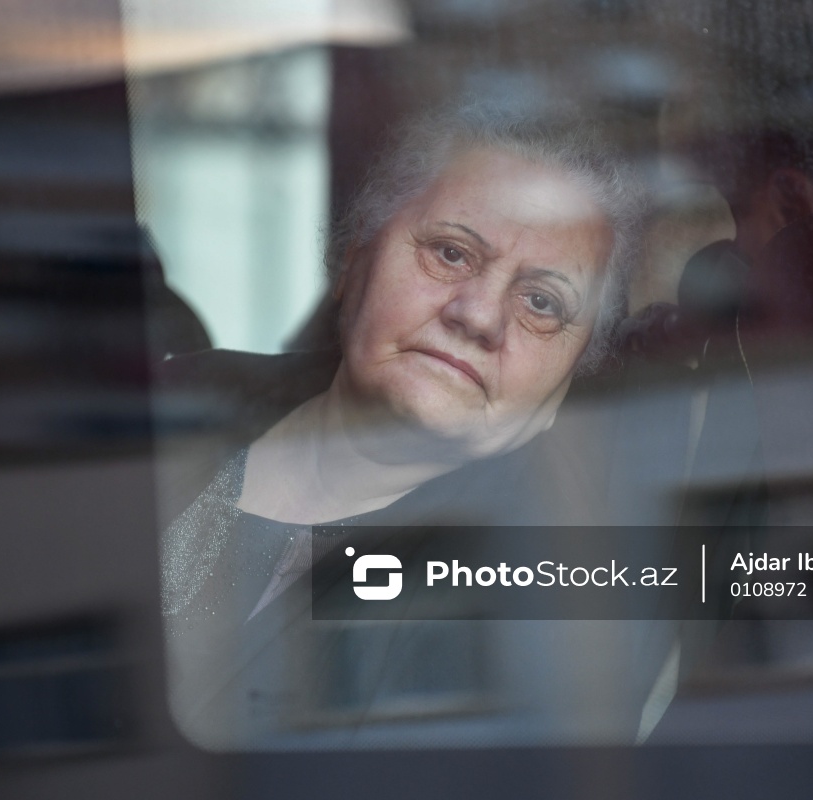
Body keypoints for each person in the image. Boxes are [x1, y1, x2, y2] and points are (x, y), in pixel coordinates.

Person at [155, 104, 659, 748]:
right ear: (354, 262)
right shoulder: (172, 406)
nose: (479, 316)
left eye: (542, 302)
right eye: (451, 253)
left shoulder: (538, 598)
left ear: (569, 380)